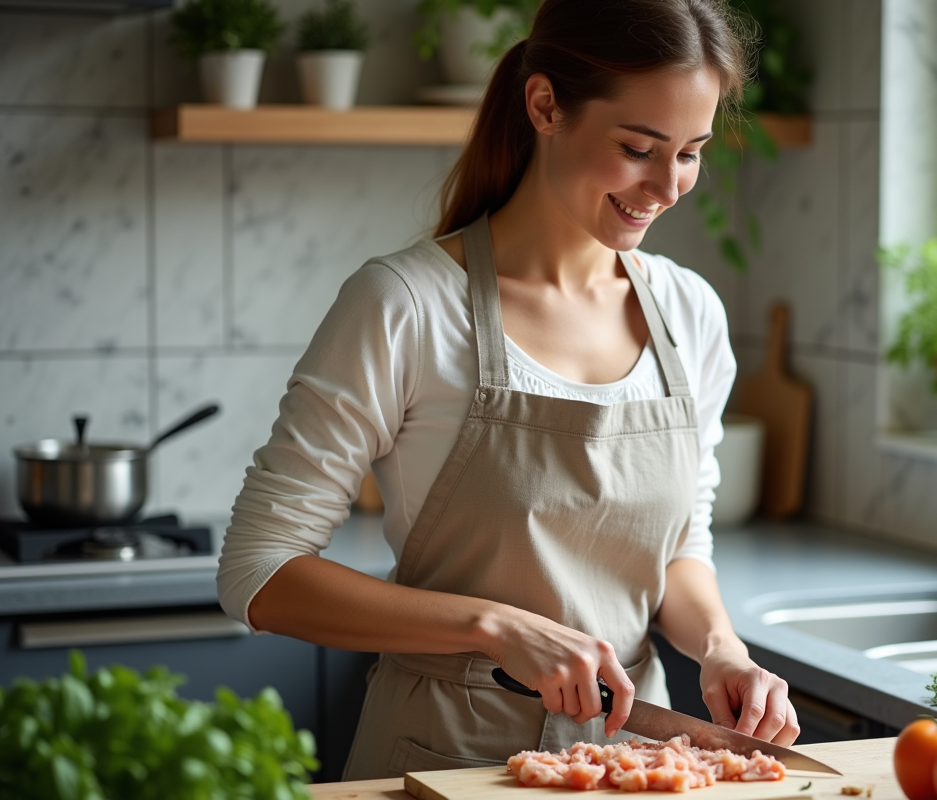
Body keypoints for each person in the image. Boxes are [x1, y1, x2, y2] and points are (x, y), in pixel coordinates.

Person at [216, 0, 801, 780]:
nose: (666, 186)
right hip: (441, 760)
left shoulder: (689, 312)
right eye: (638, 148)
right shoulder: (407, 304)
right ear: (545, 105)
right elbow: (258, 571)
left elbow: (679, 545)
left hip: (633, 762)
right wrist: (493, 626)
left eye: (691, 153)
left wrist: (721, 650)